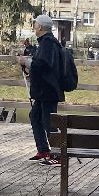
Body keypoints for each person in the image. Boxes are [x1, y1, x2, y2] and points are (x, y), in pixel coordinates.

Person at [22, 15, 65, 165]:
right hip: (43, 91)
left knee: (49, 122)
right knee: (35, 117)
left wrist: (26, 61)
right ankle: (44, 150)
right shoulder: (46, 43)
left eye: (35, 24)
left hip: (48, 91)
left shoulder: (48, 43)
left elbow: (44, 65)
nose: (34, 26)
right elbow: (42, 64)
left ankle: (58, 155)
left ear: (40, 27)